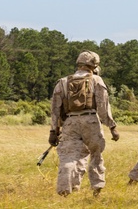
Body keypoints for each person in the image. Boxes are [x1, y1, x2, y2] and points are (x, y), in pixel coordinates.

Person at [48, 51, 119, 197]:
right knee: (96, 155)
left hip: (70, 122)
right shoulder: (96, 80)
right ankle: (97, 189)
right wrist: (112, 127)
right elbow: (103, 107)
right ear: (94, 65)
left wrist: (53, 131)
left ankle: (64, 191)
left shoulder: (62, 82)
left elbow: (55, 109)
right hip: (91, 121)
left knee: (68, 157)